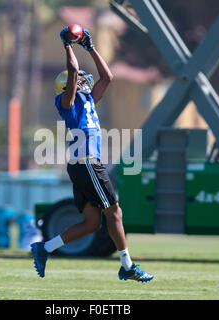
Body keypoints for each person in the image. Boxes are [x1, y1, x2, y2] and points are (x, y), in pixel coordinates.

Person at [31, 27, 154, 282]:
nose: (86, 81)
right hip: (86, 163)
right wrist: (67, 45)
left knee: (92, 223)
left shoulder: (87, 101)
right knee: (115, 212)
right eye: (79, 82)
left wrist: (89, 46)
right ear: (69, 87)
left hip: (83, 164)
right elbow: (74, 72)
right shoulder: (67, 104)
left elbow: (107, 77)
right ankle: (127, 266)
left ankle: (45, 248)